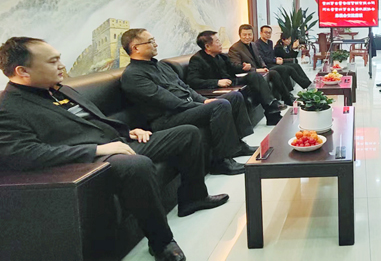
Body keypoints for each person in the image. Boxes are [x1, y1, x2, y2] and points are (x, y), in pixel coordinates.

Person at [0, 37, 230, 261]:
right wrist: (96, 149)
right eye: (53, 61)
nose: (61, 65)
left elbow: (96, 120)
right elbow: (22, 154)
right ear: (23, 71)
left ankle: (193, 197)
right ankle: (162, 242)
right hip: (88, 162)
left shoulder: (61, 90)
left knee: (187, 133)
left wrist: (129, 132)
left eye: (59, 58)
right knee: (136, 164)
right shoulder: (9, 108)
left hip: (117, 143)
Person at [120, 29, 256, 176]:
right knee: (220, 105)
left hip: (186, 108)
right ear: (136, 48)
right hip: (167, 118)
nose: (156, 44)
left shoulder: (162, 66)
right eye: (151, 41)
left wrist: (204, 100)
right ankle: (221, 162)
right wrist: (201, 105)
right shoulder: (133, 75)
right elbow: (167, 101)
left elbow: (185, 87)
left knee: (234, 96)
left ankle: (237, 146)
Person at [186, 30, 285, 125]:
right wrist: (217, 82)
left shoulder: (221, 56)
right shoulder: (197, 60)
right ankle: (272, 113)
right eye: (217, 41)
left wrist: (243, 67)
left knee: (254, 76)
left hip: (231, 82)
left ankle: (271, 105)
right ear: (207, 46)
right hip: (216, 88)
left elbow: (232, 68)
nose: (220, 44)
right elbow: (192, 81)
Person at [228, 24, 295, 106]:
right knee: (273, 72)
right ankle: (272, 103)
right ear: (240, 35)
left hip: (259, 71)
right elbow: (236, 66)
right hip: (249, 74)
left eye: (249, 34)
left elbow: (259, 58)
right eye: (244, 35)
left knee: (275, 72)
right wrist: (254, 69)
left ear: (253, 35)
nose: (247, 37)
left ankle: (287, 98)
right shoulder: (235, 48)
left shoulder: (253, 44)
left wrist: (264, 67)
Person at [255, 26, 312, 90]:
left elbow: (272, 55)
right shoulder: (257, 44)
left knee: (295, 65)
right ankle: (304, 86)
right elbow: (262, 59)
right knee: (288, 69)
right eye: (266, 32)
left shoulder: (270, 42)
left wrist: (277, 58)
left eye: (269, 33)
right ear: (261, 33)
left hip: (273, 62)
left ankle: (310, 84)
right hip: (267, 65)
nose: (268, 34)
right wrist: (275, 60)